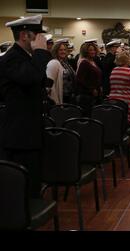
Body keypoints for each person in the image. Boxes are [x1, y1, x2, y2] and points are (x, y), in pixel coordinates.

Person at [0, 15, 52, 198]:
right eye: (37, 35)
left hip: (30, 129)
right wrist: (39, 52)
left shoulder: (26, 57)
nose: (42, 40)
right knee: (22, 187)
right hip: (20, 133)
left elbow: (40, 80)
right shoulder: (12, 58)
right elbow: (29, 78)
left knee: (33, 182)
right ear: (24, 35)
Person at [109, 51, 130, 130]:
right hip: (128, 101)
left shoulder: (114, 70)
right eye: (129, 59)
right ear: (125, 60)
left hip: (114, 100)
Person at [75, 41, 103, 113]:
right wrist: (92, 89)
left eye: (94, 50)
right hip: (86, 95)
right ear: (85, 51)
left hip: (95, 94)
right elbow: (79, 79)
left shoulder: (93, 61)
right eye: (90, 50)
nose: (93, 51)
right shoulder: (84, 62)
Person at [46, 40, 76, 104]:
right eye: (60, 50)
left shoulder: (65, 63)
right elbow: (50, 86)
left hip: (69, 96)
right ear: (56, 51)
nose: (63, 52)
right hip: (60, 97)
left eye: (64, 50)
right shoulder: (53, 63)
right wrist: (55, 101)